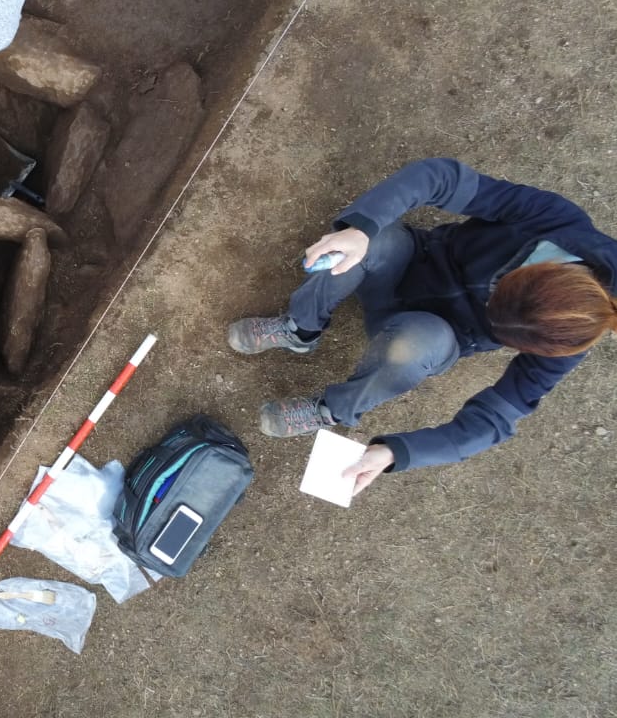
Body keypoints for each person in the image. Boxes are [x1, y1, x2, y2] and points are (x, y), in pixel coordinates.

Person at [228, 158, 617, 495]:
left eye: (499, 329)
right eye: (497, 294)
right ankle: (300, 329)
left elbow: (495, 420)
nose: (488, 310)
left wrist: (397, 452)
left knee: (414, 349)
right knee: (370, 243)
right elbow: (439, 177)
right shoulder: (556, 221)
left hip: (433, 332)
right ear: (543, 267)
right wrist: (360, 229)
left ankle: (331, 409)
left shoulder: (566, 337)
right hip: (412, 260)